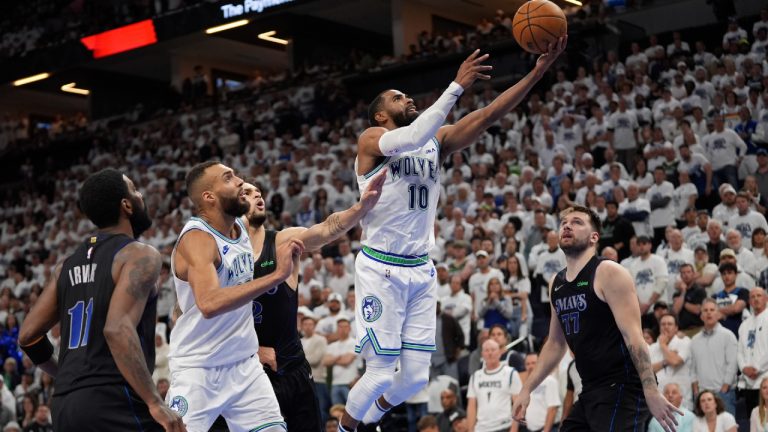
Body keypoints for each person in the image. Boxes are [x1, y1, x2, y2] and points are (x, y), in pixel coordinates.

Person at [339, 37, 568, 432]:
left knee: (413, 380)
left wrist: (537, 73)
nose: (406, 98)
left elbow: (490, 114)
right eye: (398, 97)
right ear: (380, 116)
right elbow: (408, 138)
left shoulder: (435, 140)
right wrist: (456, 86)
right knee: (379, 374)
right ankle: (345, 429)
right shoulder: (371, 141)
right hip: (381, 267)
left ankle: (369, 423)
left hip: (421, 269)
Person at [17, 169, 185, 431]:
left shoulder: (65, 266)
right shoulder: (139, 255)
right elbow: (117, 328)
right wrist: (154, 401)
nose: (141, 194)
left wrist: (64, 374)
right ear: (126, 205)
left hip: (65, 404)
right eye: (134, 189)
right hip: (114, 397)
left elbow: (28, 335)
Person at [512, 205, 680, 431]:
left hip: (623, 387)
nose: (567, 226)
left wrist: (650, 389)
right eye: (564, 223)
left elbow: (634, 336)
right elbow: (555, 343)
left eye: (577, 222)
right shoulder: (557, 283)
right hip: (590, 388)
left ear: (594, 237)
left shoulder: (608, 272)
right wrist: (526, 389)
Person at [166, 161, 303, 431]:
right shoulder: (197, 240)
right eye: (229, 178)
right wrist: (276, 275)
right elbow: (209, 303)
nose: (240, 181)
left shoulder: (238, 228)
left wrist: (361, 209)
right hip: (199, 370)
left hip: (245, 366)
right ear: (209, 197)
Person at [241, 173, 385, 431]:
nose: (258, 195)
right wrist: (251, 349)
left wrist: (360, 208)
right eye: (248, 193)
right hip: (250, 371)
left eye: (258, 192)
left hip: (294, 367)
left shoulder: (283, 241)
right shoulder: (222, 256)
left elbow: (327, 229)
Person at [689, 298, 738, 416]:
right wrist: (696, 391)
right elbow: (692, 368)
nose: (709, 313)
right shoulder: (695, 340)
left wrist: (724, 389)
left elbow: (733, 364)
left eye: (712, 310)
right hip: (702, 395)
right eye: (705, 310)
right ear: (701, 316)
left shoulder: (728, 335)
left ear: (718, 314)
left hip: (723, 394)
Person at [466, 339, 522, 432]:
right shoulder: (475, 376)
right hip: (481, 428)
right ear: (482, 354)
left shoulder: (510, 373)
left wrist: (514, 429)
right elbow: (471, 407)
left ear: (500, 352)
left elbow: (518, 404)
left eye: (493, 349)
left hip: (504, 427)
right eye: (486, 350)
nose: (490, 353)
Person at [737, 288, 768, 416]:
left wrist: (758, 368)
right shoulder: (744, 325)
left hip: (765, 378)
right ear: (749, 301)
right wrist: (744, 368)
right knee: (754, 421)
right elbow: (739, 352)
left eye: (759, 296)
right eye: (752, 297)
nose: (756, 299)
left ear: (766, 299)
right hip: (749, 383)